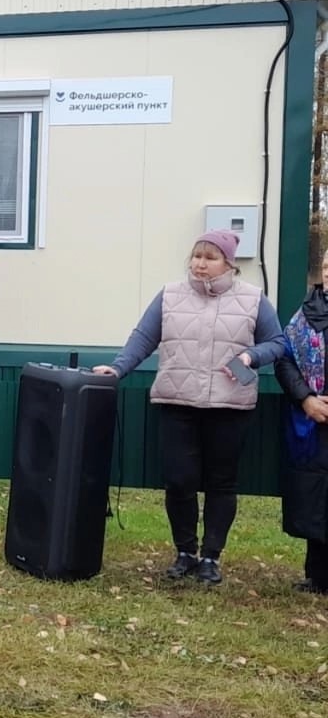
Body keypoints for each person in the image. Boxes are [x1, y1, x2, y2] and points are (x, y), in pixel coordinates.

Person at [94, 229, 283, 585]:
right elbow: (143, 338)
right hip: (177, 402)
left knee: (221, 483)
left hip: (230, 406)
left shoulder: (253, 300)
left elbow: (278, 343)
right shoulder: (169, 296)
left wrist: (251, 356)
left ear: (229, 263)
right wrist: (117, 368)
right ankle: (185, 552)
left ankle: (211, 557)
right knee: (179, 481)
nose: (200, 264)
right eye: (196, 257)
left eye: (210, 258)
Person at [272, 249, 328, 595]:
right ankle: (318, 576)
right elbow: (284, 360)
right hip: (312, 420)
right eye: (326, 265)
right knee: (315, 495)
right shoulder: (304, 316)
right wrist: (306, 398)